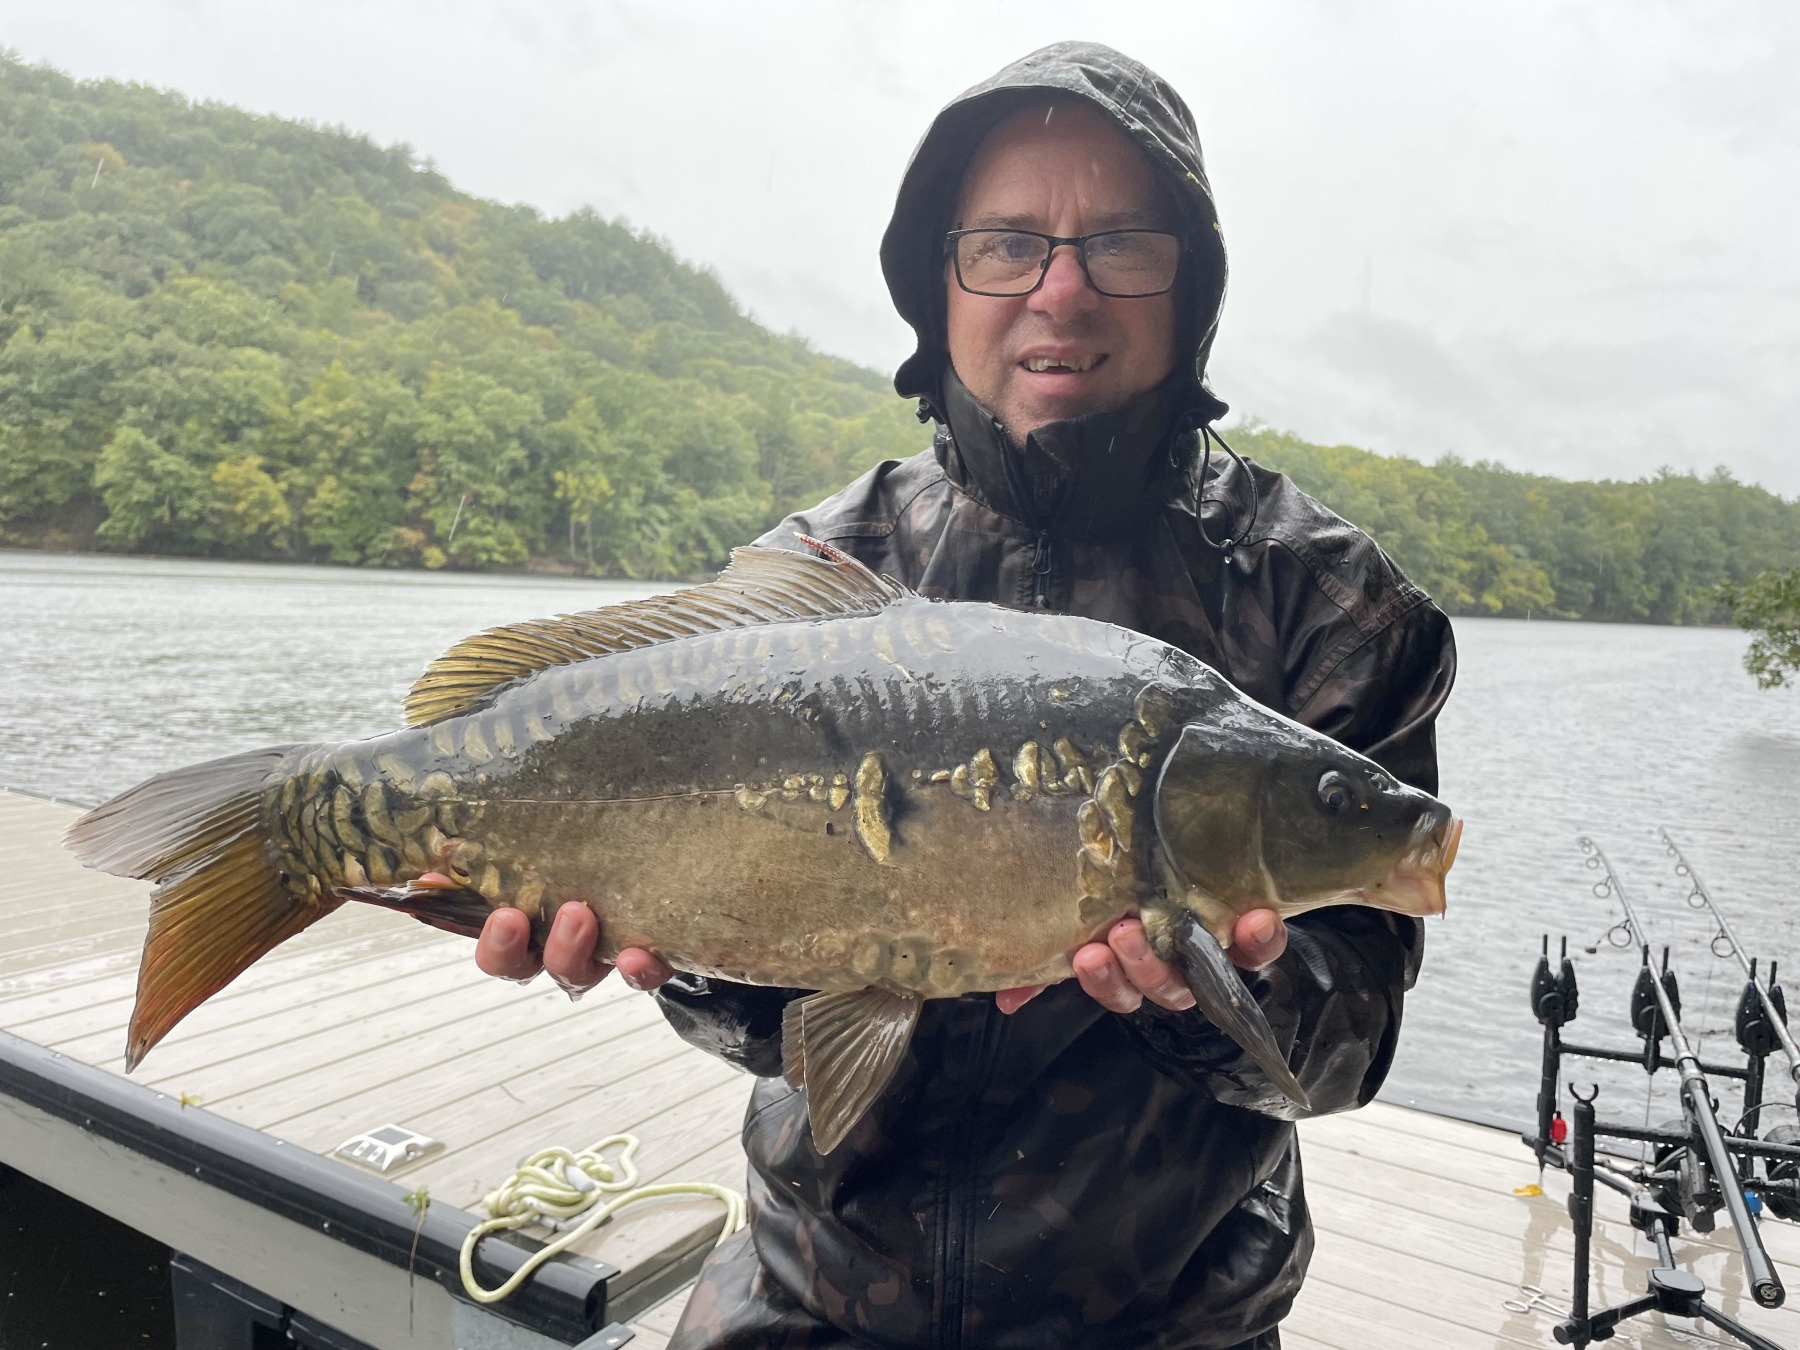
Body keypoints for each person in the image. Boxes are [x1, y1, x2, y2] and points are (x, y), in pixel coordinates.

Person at [475, 42, 1455, 1349]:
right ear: (941, 285)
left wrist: (1206, 994)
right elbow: (772, 1027)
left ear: (1191, 283)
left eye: (1121, 242)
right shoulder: (826, 571)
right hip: (809, 1297)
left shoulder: (1327, 602)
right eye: (1008, 244)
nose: (1063, 290)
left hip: (1170, 1323)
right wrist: (675, 951)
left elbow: (1354, 1037)